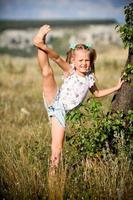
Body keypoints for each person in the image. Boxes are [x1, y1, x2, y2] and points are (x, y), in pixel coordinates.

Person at [33, 24, 124, 171]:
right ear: (74, 61)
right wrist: (44, 46)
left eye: (86, 61)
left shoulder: (89, 79)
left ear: (91, 62)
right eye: (80, 61)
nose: (84, 63)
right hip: (56, 100)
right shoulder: (70, 70)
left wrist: (116, 87)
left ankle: (54, 174)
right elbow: (56, 58)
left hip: (61, 111)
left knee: (58, 148)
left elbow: (97, 93)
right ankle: (40, 41)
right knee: (47, 73)